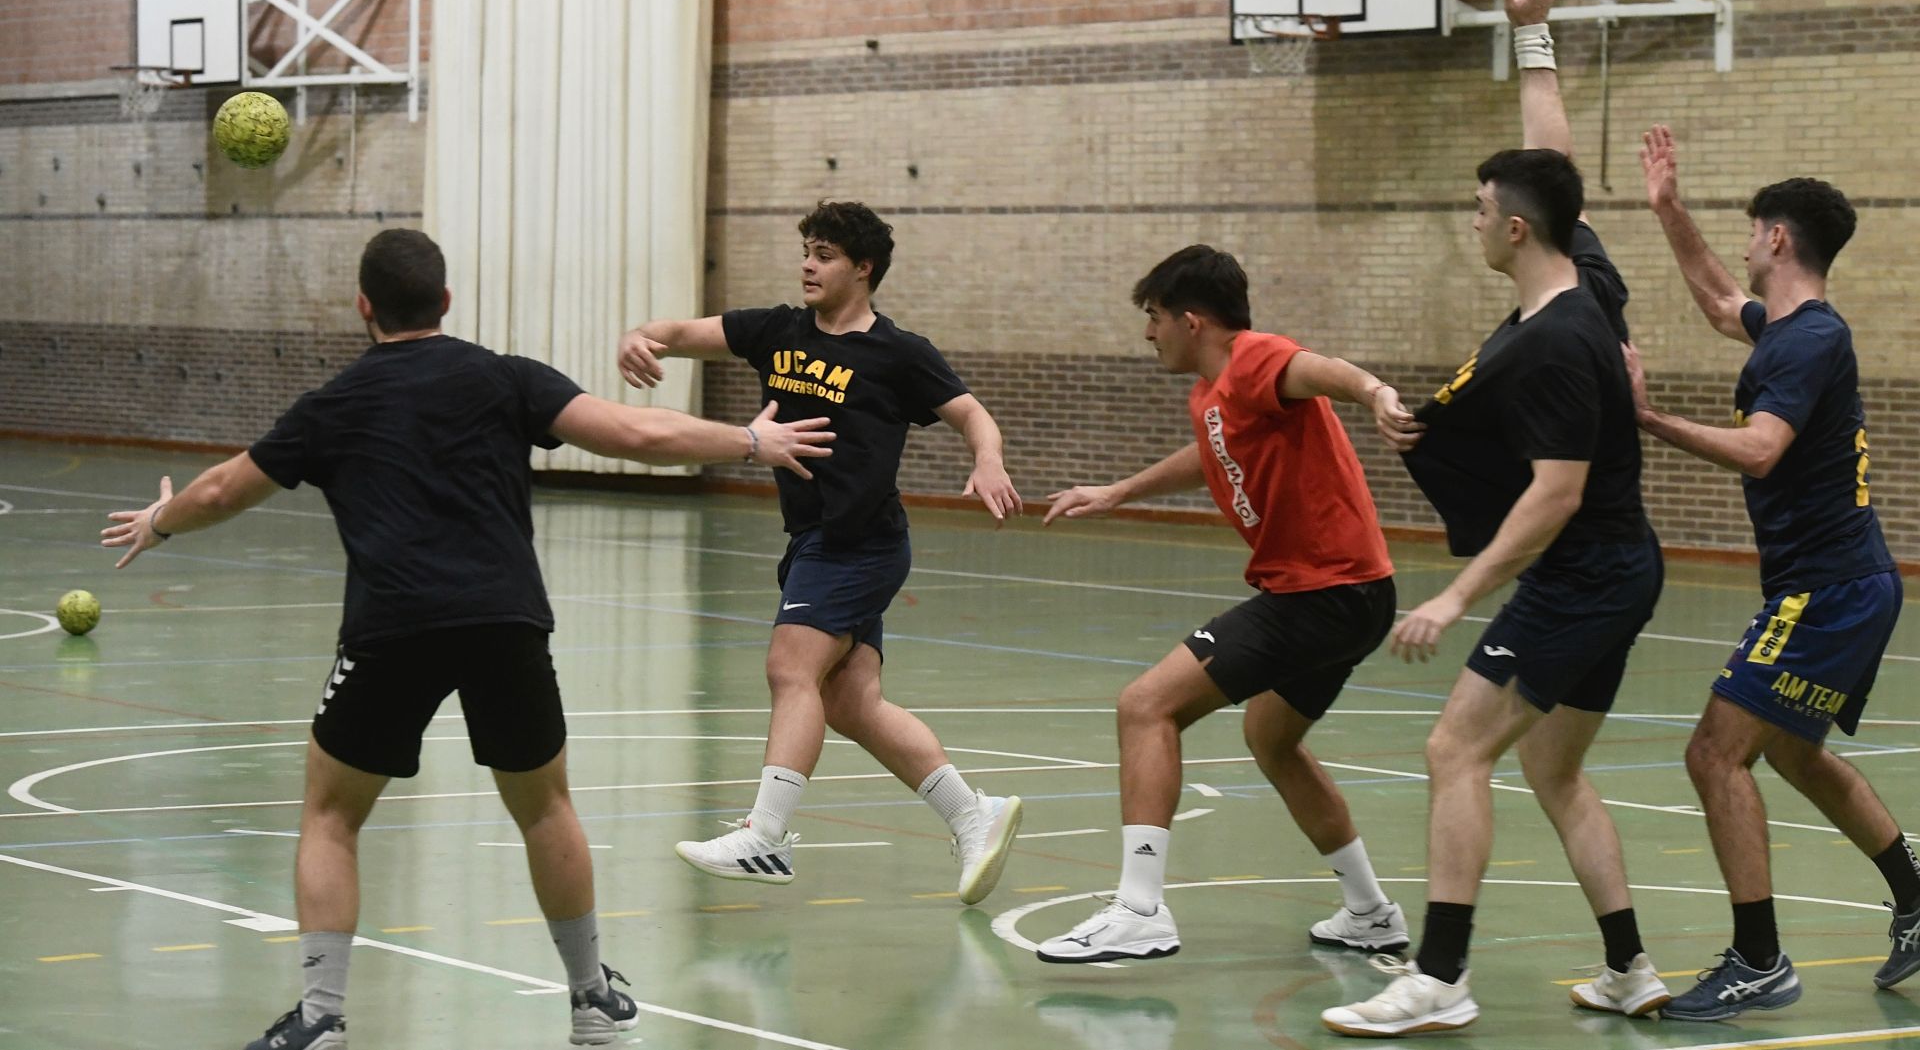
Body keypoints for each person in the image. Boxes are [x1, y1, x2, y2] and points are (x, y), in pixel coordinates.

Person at [101, 228, 834, 1050]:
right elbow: (638, 434)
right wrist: (749, 439)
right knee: (546, 807)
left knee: (331, 815)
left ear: (363, 305)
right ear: (446, 301)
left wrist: (160, 519)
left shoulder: (332, 404)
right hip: (505, 625)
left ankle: (321, 1018)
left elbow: (224, 487)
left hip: (392, 630)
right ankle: (591, 1000)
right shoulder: (504, 377)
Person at [1324, 0, 1669, 1036]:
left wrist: (1452, 598)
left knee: (1455, 748)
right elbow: (1547, 155)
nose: (1474, 220)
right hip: (1607, 573)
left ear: (1514, 230)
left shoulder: (1561, 343)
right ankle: (1630, 971)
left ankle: (1440, 978)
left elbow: (1555, 496)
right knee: (1557, 772)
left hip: (1583, 572)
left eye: (1480, 210)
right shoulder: (1585, 280)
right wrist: (1533, 28)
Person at [617, 200, 1026, 903]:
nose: (809, 262)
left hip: (860, 542)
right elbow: (686, 330)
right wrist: (643, 335)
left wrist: (987, 457)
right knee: (851, 701)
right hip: (813, 538)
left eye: (826, 253)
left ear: (863, 269)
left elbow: (970, 412)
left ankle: (766, 833)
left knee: (789, 667)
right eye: (807, 248)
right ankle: (972, 813)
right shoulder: (776, 331)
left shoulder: (898, 353)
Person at [1032, 245, 1411, 964]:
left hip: (1321, 592)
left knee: (1146, 705)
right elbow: (1210, 451)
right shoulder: (1212, 393)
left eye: (1154, 317)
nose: (1149, 333)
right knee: (1271, 738)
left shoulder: (1255, 358)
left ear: (1192, 319)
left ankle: (1139, 908)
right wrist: (1116, 491)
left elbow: (1313, 369)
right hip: (1353, 592)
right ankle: (1371, 912)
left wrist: (1374, 390)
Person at [1624, 125, 1920, 1018]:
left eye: (1753, 230)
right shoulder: (1792, 328)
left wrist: (1649, 418)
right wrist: (1669, 211)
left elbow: (1760, 451)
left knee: (1715, 753)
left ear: (1779, 239)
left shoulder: (1806, 344)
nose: (1745, 247)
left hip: (1826, 587)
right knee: (1791, 749)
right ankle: (1916, 893)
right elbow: (1720, 301)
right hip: (1845, 580)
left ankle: (1759, 960)